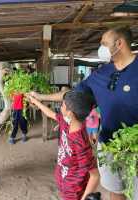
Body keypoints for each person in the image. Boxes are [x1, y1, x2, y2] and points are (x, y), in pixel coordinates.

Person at [30, 26, 138, 200]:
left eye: (104, 43)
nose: (100, 47)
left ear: (119, 43)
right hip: (109, 145)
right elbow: (72, 95)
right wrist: (41, 97)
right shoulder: (101, 73)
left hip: (135, 149)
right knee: (115, 189)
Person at [27, 91, 99, 200]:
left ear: (70, 113)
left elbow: (95, 176)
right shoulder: (67, 122)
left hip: (74, 191)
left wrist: (84, 198)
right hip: (63, 180)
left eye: (63, 105)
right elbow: (50, 114)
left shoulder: (80, 143)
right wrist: (36, 101)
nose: (60, 107)